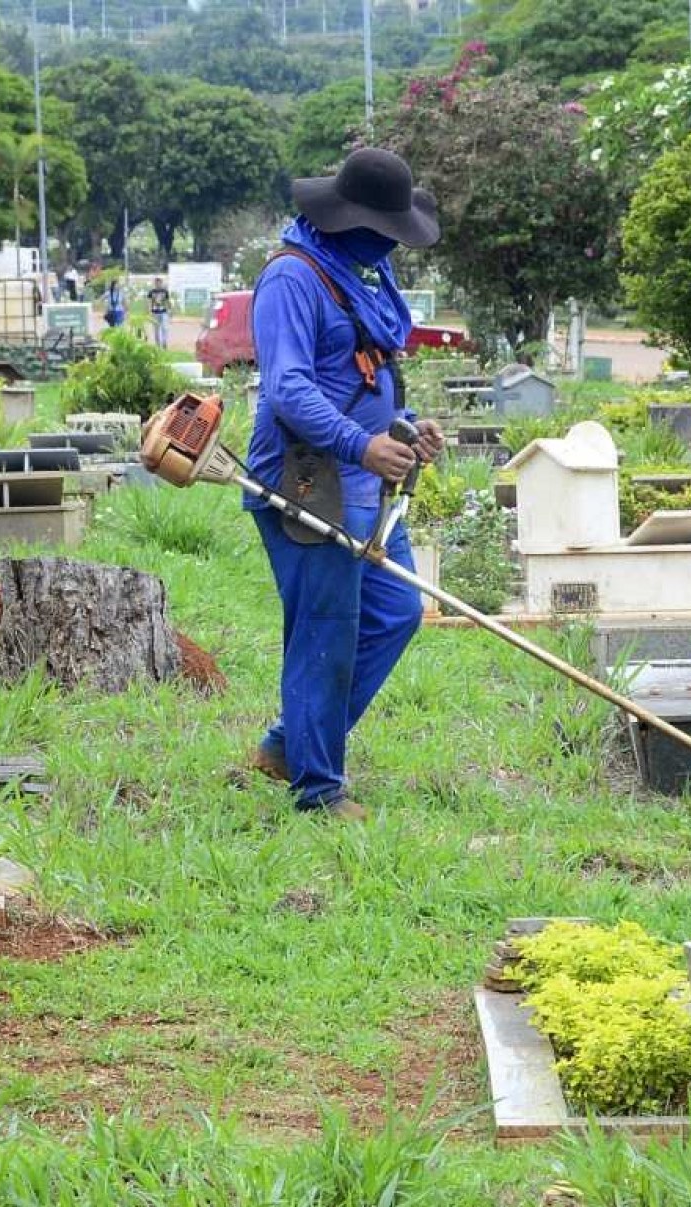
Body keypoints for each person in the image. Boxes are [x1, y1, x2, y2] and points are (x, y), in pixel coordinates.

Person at [243, 147, 444, 821]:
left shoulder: (364, 279)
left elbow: (358, 378)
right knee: (324, 630)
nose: (392, 243)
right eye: (386, 229)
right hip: (307, 481)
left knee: (397, 612)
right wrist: (364, 442)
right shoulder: (293, 280)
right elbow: (289, 388)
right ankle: (318, 787)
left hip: (368, 481)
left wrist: (405, 428)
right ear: (351, 220)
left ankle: (287, 743)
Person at [146, 276, 172, 348]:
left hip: (163, 312)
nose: (158, 284)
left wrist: (169, 310)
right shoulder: (151, 292)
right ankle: (157, 344)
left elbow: (167, 301)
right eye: (156, 282)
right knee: (156, 330)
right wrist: (149, 311)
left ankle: (164, 342)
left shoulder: (165, 291)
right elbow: (149, 302)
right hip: (155, 312)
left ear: (161, 283)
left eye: (159, 282)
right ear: (155, 283)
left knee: (164, 327)